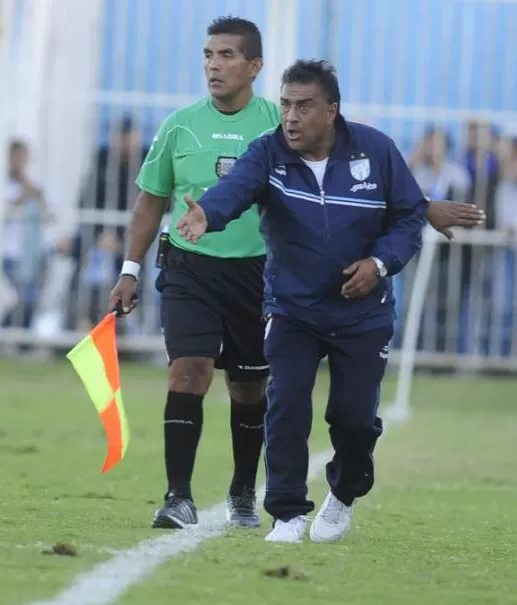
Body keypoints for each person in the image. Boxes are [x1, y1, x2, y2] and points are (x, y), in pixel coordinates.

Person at [108, 18, 484, 531]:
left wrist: (420, 214)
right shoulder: (205, 131)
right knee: (200, 374)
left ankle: (257, 490)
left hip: (272, 278)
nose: (213, 65)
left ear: (254, 67)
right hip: (212, 274)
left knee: (262, 393)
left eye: (225, 55)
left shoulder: (316, 134)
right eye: (207, 54)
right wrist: (175, 236)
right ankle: (196, 498)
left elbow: (384, 198)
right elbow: (215, 190)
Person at [175, 59, 425, 544]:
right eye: (286, 105)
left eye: (304, 107)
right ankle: (287, 512)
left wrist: (379, 265)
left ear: (332, 111)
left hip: (363, 315)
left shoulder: (377, 151)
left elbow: (410, 215)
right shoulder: (268, 153)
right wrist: (209, 212)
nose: (290, 116)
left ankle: (346, 491)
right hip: (292, 310)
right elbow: (235, 188)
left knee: (353, 420)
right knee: (286, 403)